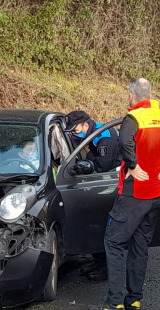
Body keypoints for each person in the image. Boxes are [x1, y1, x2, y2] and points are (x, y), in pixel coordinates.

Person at [87, 77, 160, 310]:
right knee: (140, 247)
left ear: (132, 95)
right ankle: (134, 302)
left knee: (114, 243)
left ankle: (115, 304)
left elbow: (124, 142)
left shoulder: (134, 118)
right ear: (150, 94)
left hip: (133, 193)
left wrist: (132, 164)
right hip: (154, 193)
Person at [64, 110, 121, 281]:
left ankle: (106, 269)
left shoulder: (104, 137)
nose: (75, 134)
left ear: (86, 125)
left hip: (113, 182)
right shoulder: (92, 132)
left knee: (103, 226)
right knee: (93, 223)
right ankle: (98, 261)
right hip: (103, 181)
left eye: (76, 130)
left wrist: (88, 152)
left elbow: (102, 167)